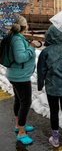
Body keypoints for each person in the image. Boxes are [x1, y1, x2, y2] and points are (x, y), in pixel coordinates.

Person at [37, 25, 62, 147]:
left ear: (48, 36)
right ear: (61, 36)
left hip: (52, 87)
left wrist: (40, 85)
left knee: (54, 111)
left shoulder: (45, 52)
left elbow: (41, 71)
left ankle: (55, 139)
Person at [6, 16, 37, 145]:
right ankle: (22, 133)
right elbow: (20, 58)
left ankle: (19, 125)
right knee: (25, 103)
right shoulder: (17, 39)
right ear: (23, 26)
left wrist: (27, 45)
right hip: (20, 77)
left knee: (19, 100)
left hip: (16, 74)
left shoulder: (14, 37)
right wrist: (31, 48)